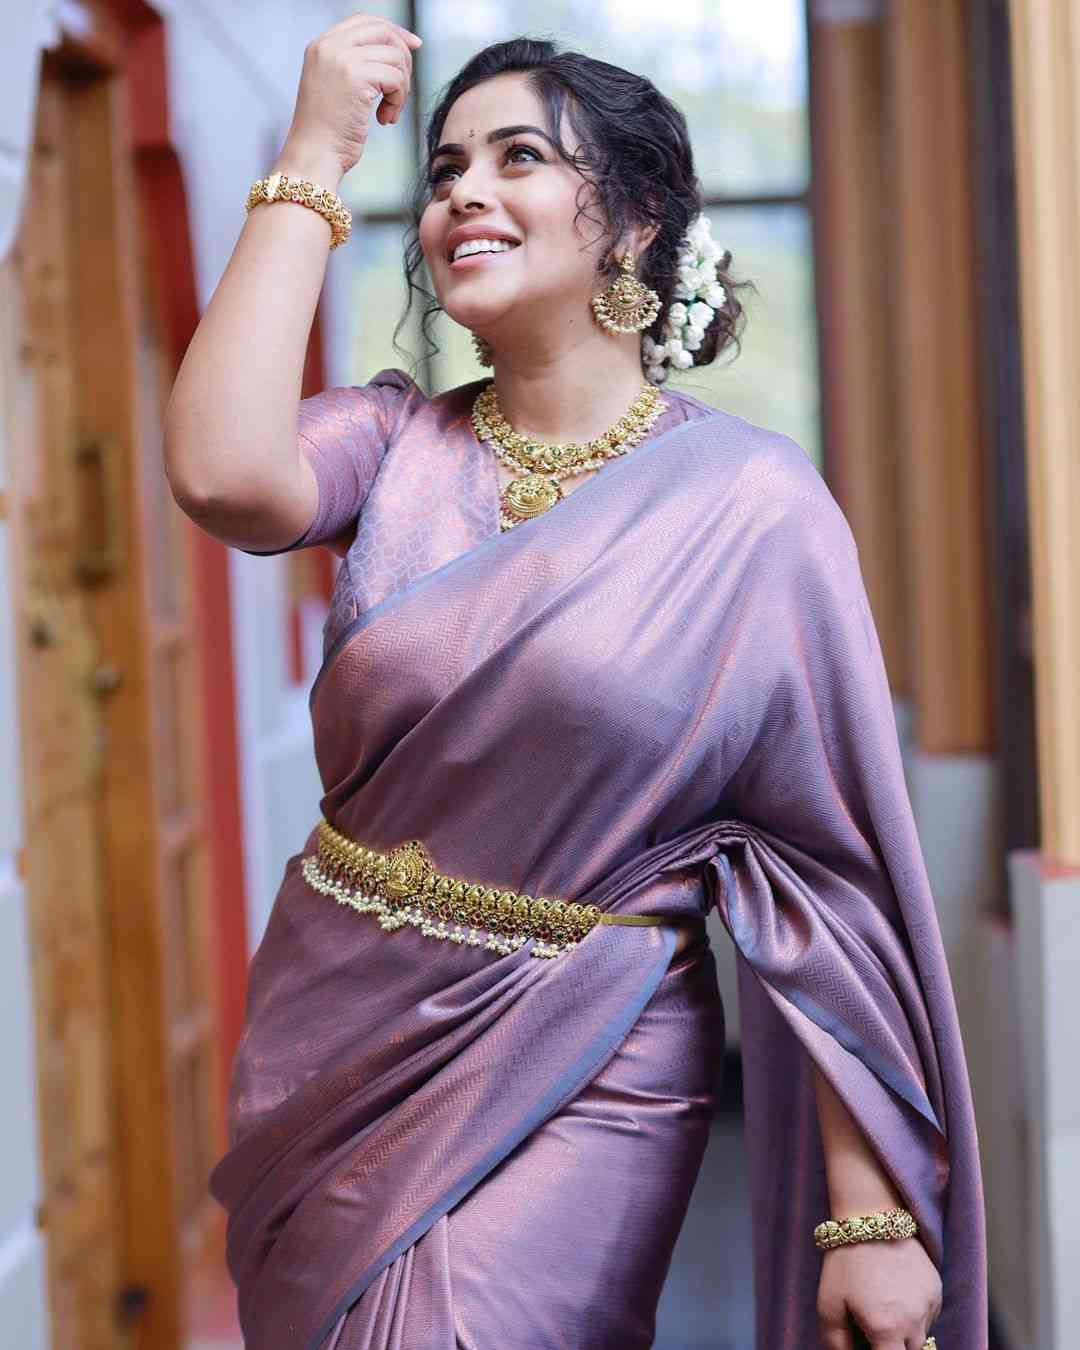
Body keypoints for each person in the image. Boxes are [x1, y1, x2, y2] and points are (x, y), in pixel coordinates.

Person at [163, 15, 987, 1350]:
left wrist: (871, 1214)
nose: (464, 194)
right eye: (443, 170)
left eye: (519, 157)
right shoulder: (392, 444)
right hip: (334, 1033)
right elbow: (219, 473)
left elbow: (822, 879)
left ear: (636, 221)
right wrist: (314, 152)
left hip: (589, 1052)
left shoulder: (750, 507)